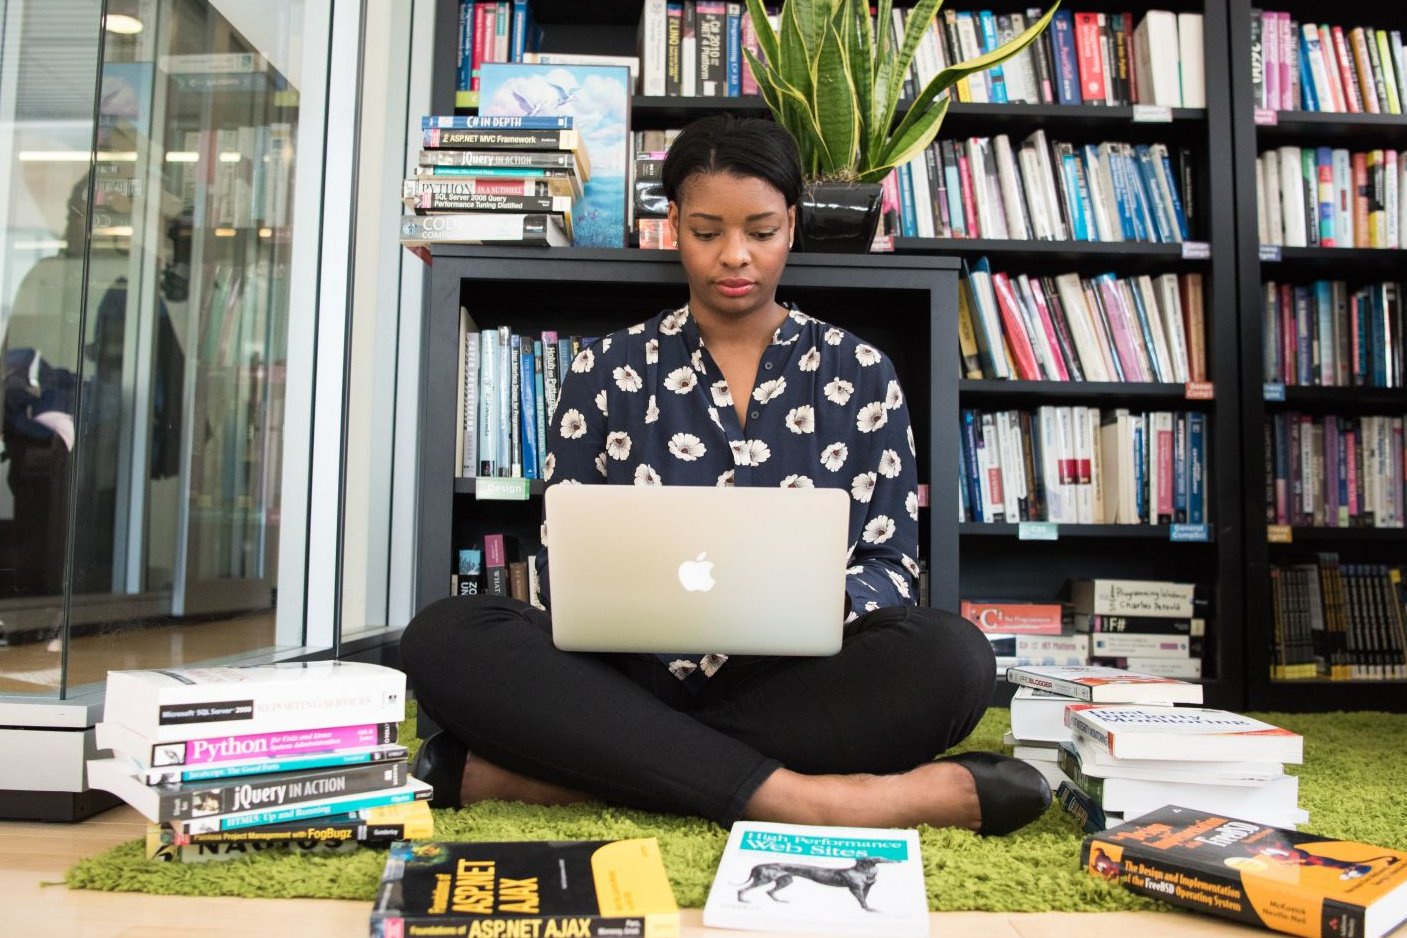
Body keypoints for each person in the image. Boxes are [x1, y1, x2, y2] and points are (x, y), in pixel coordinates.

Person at [400, 113, 1050, 835]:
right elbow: (568, 561)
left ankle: (576, 774)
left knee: (952, 659)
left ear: (793, 225)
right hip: (623, 673)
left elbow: (891, 563)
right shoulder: (604, 368)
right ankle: (825, 800)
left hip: (791, 679)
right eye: (707, 232)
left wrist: (814, 602)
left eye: (761, 231)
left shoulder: (861, 372)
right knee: (446, 633)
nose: (734, 256)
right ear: (671, 224)